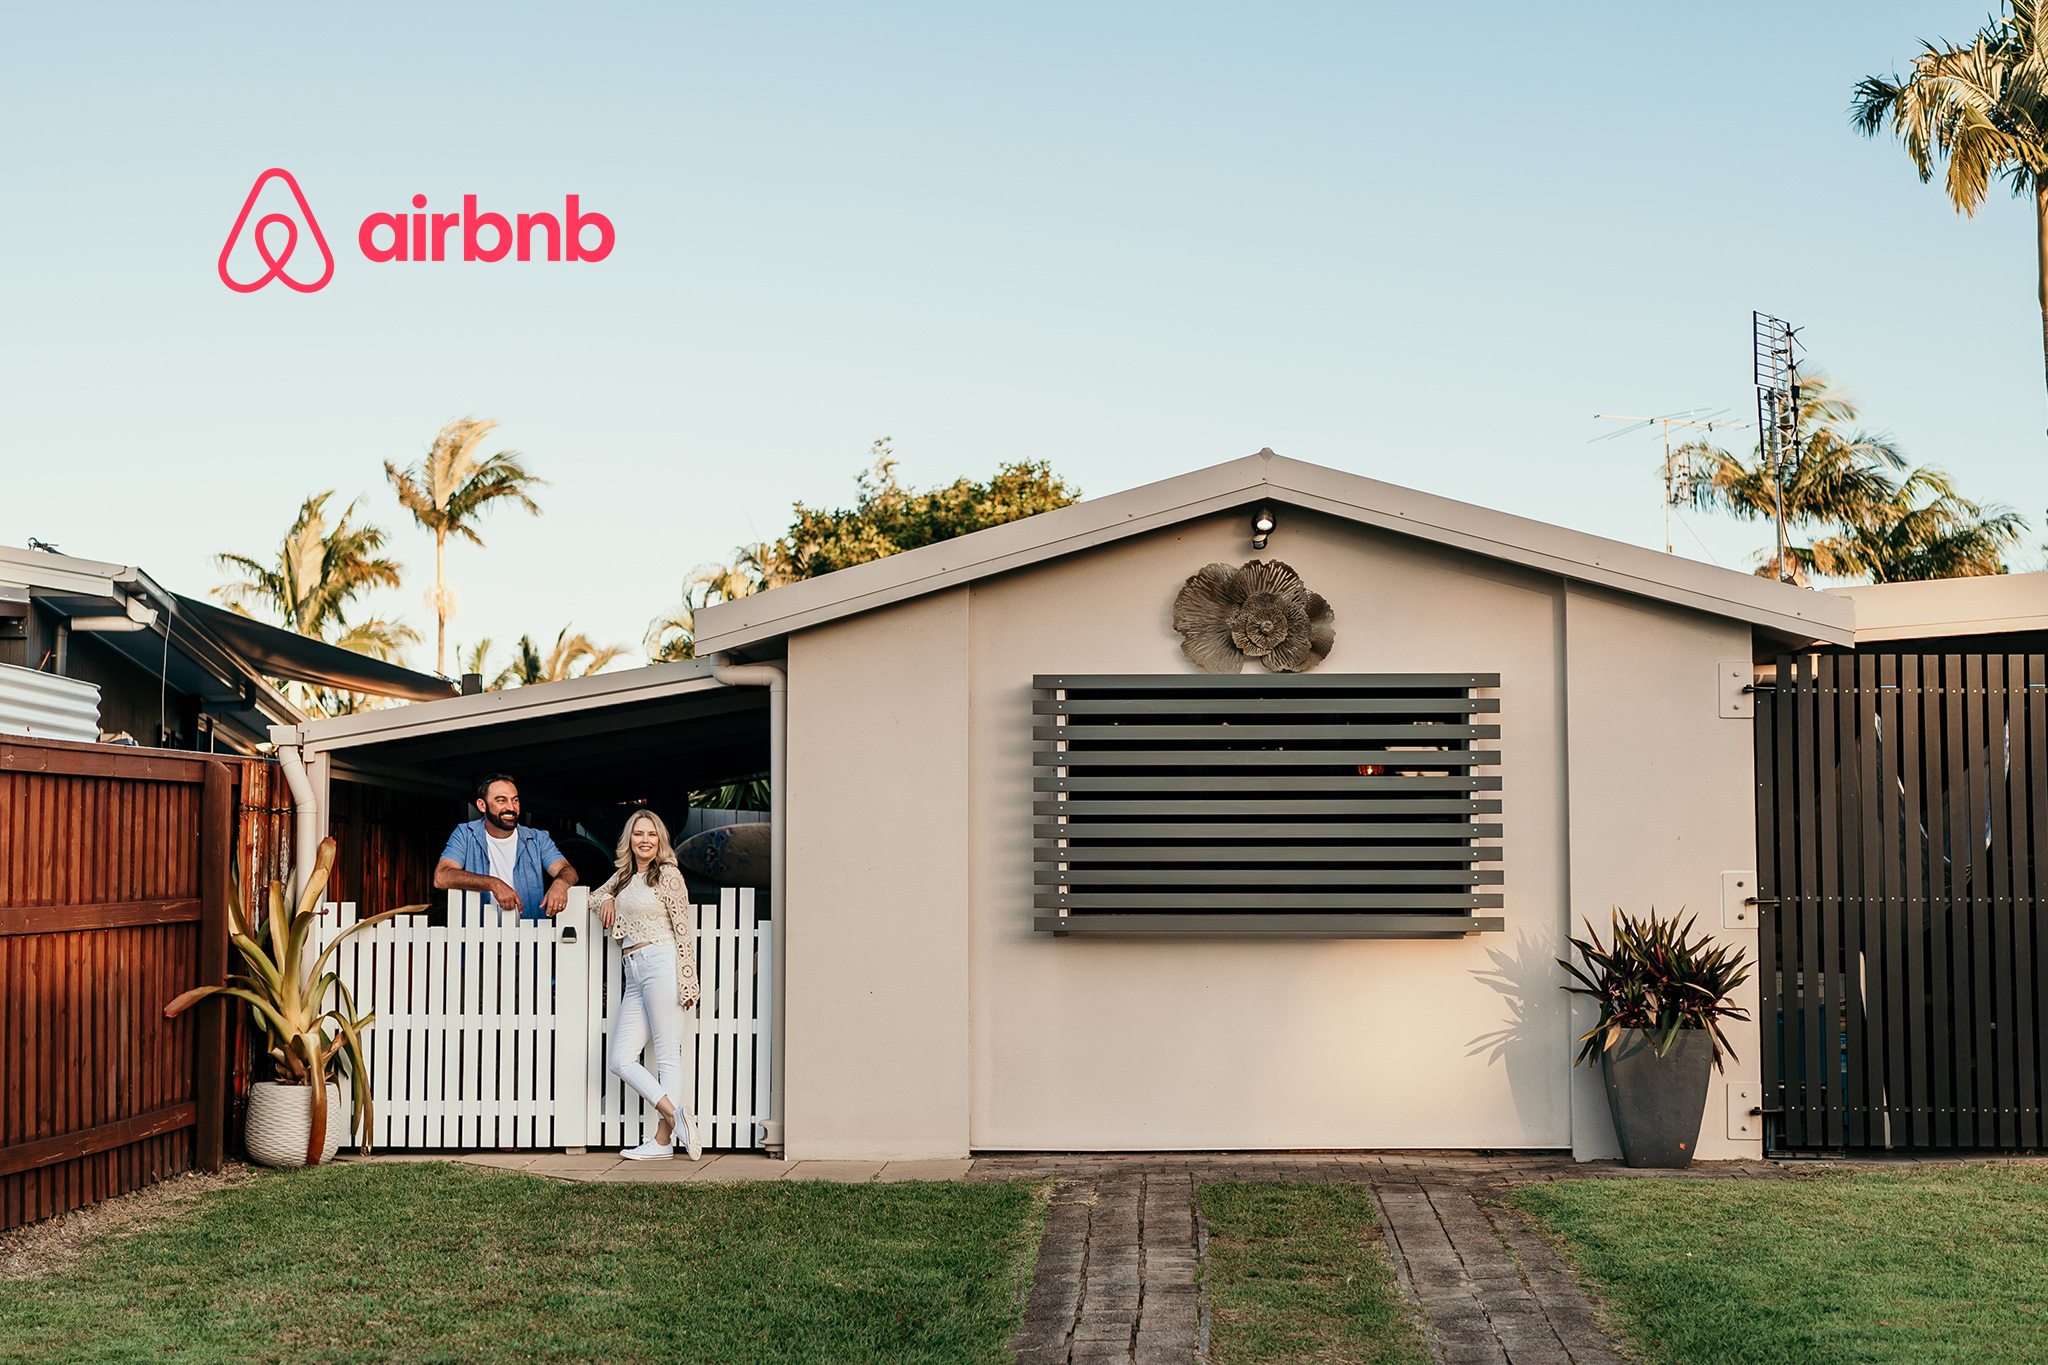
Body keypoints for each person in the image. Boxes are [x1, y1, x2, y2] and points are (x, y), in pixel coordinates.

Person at [596, 808, 703, 1160]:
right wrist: (609, 898)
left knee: (668, 1055)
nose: (645, 840)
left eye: (651, 834)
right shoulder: (623, 878)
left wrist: (688, 982)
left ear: (660, 840)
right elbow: (594, 897)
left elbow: (684, 932)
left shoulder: (668, 876)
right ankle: (678, 1118)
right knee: (621, 1059)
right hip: (633, 973)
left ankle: (661, 1142)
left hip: (662, 963)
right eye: (638, 834)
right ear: (629, 839)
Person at [434, 774, 579, 920]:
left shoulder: (538, 839)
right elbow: (441, 877)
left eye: (515, 800)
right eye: (501, 800)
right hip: (478, 938)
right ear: (482, 805)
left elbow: (567, 870)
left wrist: (560, 883)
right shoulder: (465, 834)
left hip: (529, 937)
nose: (511, 807)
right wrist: (493, 883)